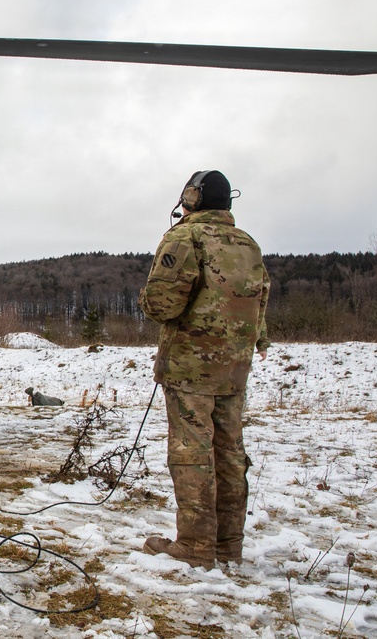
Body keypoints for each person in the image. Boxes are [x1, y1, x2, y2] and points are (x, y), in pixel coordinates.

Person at [138, 169, 270, 569]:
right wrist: (256, 341)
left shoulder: (185, 237)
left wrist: (147, 298)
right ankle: (229, 545)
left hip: (190, 366)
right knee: (230, 455)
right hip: (234, 369)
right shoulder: (247, 243)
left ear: (191, 198)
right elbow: (260, 300)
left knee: (191, 453)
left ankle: (196, 546)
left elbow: (162, 304)